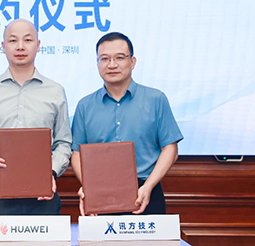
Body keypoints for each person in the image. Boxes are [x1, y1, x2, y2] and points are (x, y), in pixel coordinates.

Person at [71, 32, 183, 215]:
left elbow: (170, 148)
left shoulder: (156, 99)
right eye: (104, 59)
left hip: (146, 190)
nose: (112, 65)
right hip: (101, 193)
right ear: (97, 63)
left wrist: (149, 186)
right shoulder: (85, 105)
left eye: (119, 58)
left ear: (132, 61)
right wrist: (89, 186)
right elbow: (77, 152)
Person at [0, 19, 72, 215]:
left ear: (38, 45)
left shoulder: (55, 91)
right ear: (3, 46)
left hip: (44, 193)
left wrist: (50, 171)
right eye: (12, 40)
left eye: (27, 40)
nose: (20, 46)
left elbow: (63, 142)